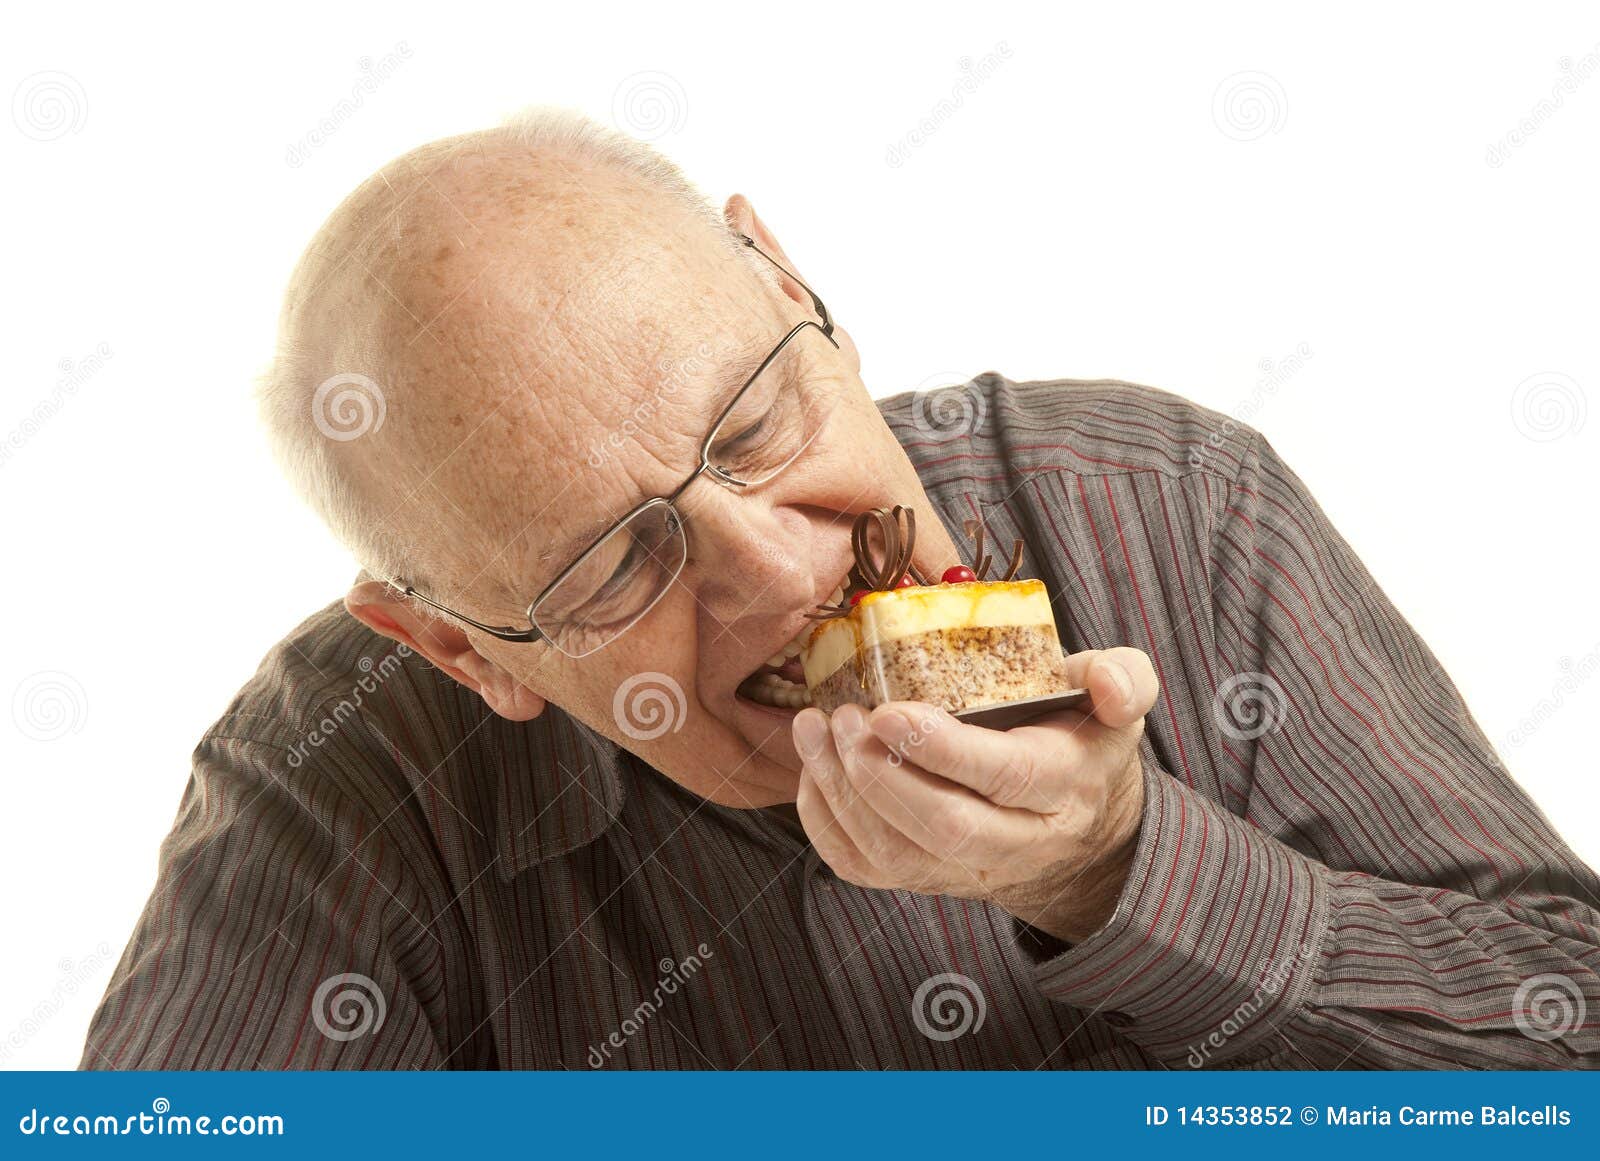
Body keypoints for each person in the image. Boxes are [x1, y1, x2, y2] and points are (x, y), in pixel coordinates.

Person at [83, 109, 1600, 1070]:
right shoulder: (350, 761)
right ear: (460, 647)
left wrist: (1117, 871)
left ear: (797, 290)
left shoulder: (1171, 505)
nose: (782, 565)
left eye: (755, 425)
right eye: (616, 560)